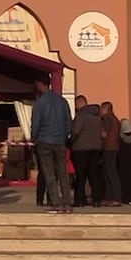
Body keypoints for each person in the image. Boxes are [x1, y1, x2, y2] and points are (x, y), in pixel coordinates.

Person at [31, 75, 73, 214]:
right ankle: (67, 202)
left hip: (45, 140)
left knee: (49, 174)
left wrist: (34, 138)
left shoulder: (40, 103)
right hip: (60, 141)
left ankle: (56, 203)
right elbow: (68, 122)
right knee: (63, 173)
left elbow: (36, 124)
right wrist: (63, 136)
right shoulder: (62, 101)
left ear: (39, 84)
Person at [70, 95, 104, 208]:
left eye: (76, 104)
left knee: (81, 176)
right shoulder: (97, 116)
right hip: (95, 148)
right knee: (93, 175)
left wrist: (71, 140)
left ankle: (79, 200)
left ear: (80, 103)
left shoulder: (81, 115)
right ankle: (96, 200)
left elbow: (75, 131)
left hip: (81, 148)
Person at [99, 102, 121, 206]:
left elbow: (103, 133)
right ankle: (109, 197)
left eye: (101, 109)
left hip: (108, 148)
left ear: (106, 109)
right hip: (113, 147)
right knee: (109, 173)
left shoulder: (108, 119)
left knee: (110, 173)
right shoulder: (115, 119)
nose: (100, 111)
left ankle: (115, 198)